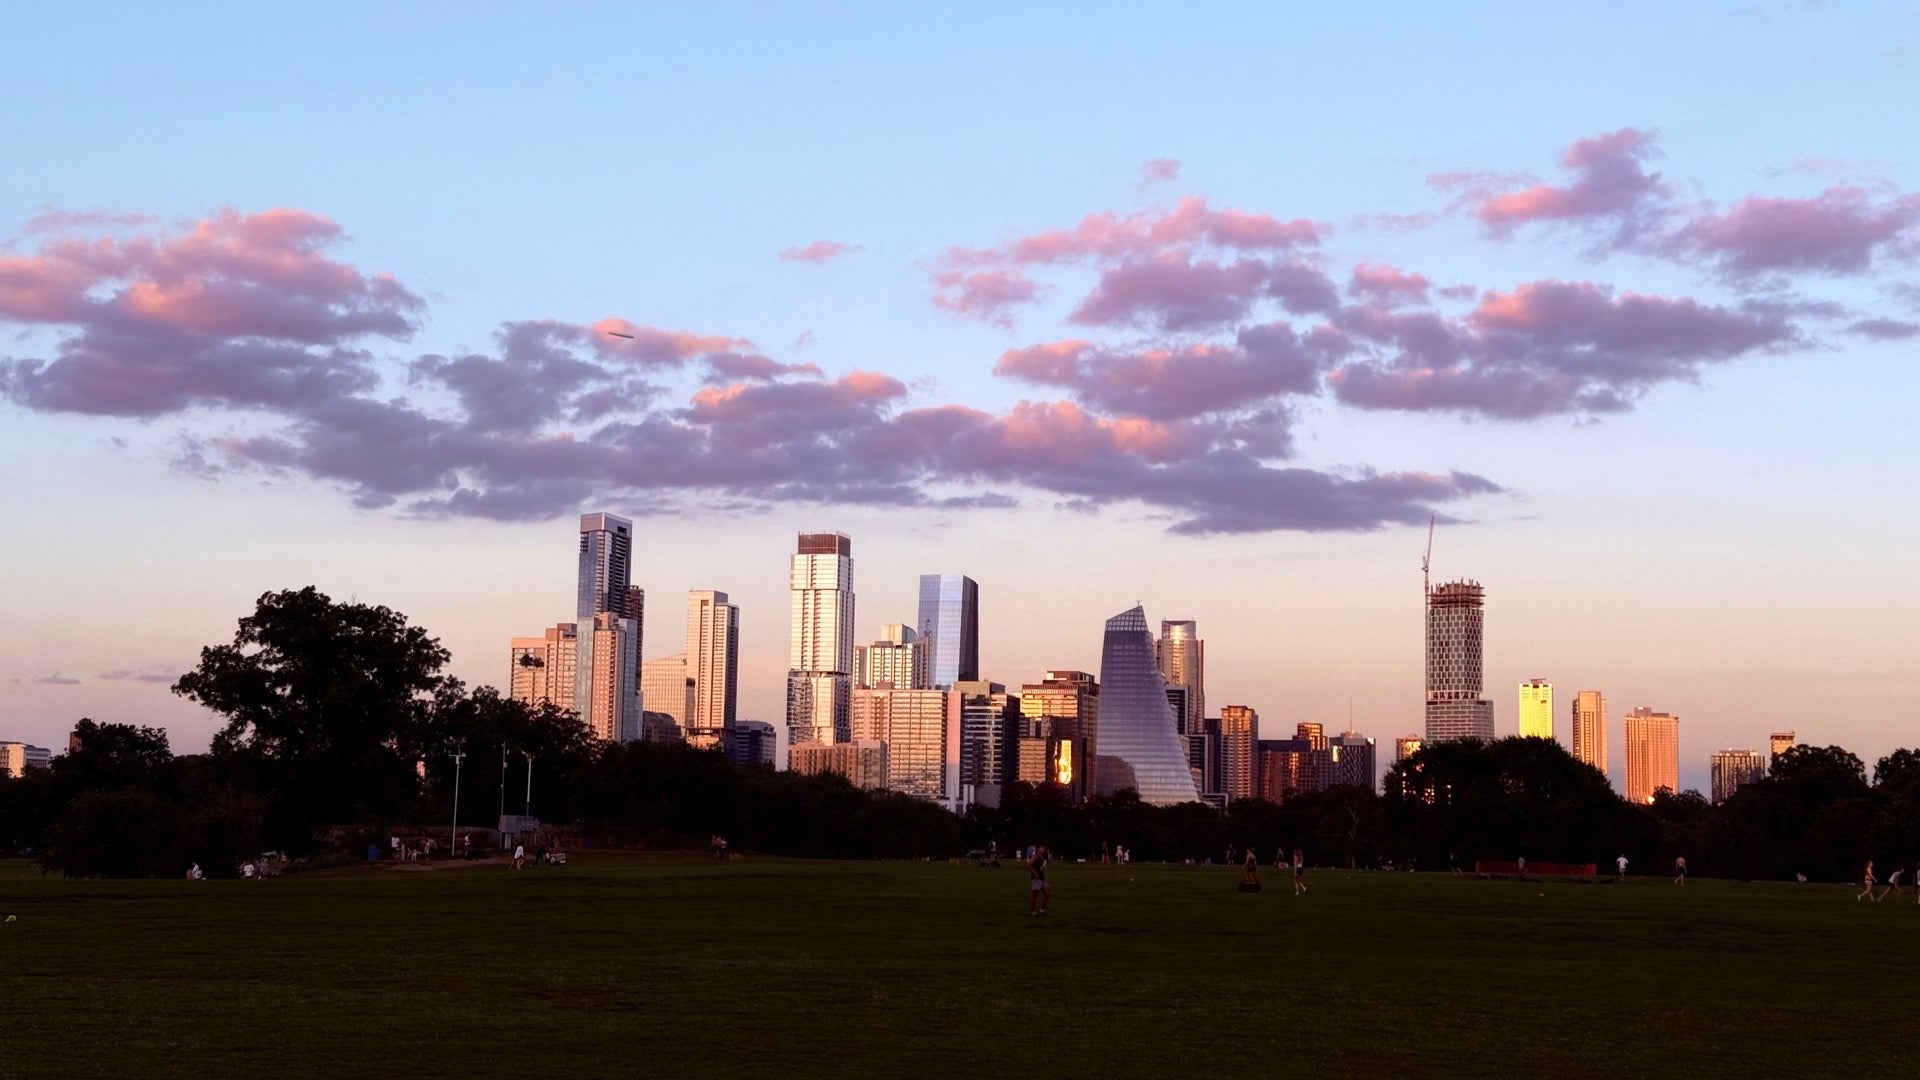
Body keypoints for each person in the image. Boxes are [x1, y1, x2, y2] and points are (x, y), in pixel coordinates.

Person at [1028, 845, 1051, 916]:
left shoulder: (1041, 857)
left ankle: (1042, 909)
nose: (1043, 849)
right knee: (1034, 896)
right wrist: (1034, 873)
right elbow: (1029, 865)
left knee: (1047, 894)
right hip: (1036, 879)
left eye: (1044, 848)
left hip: (1041, 878)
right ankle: (1033, 911)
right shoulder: (1035, 856)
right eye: (1042, 847)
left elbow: (1041, 867)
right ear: (1038, 849)